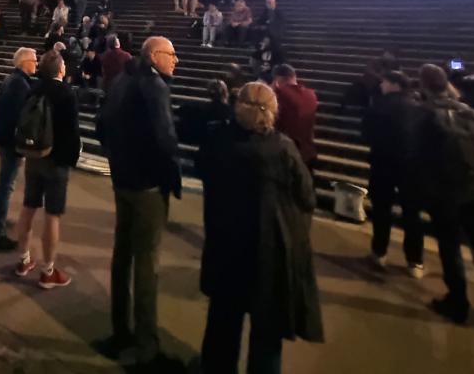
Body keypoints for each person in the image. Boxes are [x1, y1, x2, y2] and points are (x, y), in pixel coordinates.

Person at [197, 81, 324, 373]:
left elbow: (202, 168)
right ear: (272, 109)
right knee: (266, 333)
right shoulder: (282, 148)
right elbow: (307, 195)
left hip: (226, 244)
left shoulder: (219, 139)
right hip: (268, 250)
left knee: (222, 324)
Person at [95, 37, 182, 367]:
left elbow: (102, 124)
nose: (176, 60)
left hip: (123, 180)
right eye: (171, 55)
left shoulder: (121, 79)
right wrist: (171, 177)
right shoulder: (154, 86)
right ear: (155, 56)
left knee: (122, 255)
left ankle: (120, 332)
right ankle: (147, 347)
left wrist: (116, 158)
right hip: (147, 185)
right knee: (147, 265)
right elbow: (165, 138)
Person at [415, 64, 474, 326]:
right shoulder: (471, 112)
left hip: (446, 193)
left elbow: (421, 158)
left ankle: (457, 301)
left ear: (424, 85)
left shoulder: (427, 115)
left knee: (450, 247)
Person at [14, 49, 81, 289]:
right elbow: (72, 131)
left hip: (34, 157)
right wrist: (73, 159)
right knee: (52, 215)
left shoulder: (33, 88)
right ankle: (47, 270)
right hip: (57, 161)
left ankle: (23, 261)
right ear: (61, 69)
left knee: (28, 207)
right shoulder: (66, 92)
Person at [361, 70, 424, 276]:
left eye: (384, 82)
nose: (381, 86)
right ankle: (415, 260)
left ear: (394, 84)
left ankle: (380, 252)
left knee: (382, 211)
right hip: (412, 167)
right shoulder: (419, 108)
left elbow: (366, 134)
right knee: (412, 213)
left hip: (383, 165)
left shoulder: (379, 106)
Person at [0, 47, 37, 251]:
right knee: (6, 185)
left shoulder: (13, 80)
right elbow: (20, 118)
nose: (36, 62)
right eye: (34, 60)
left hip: (2, 137)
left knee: (4, 182)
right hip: (10, 140)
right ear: (23, 62)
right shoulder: (20, 84)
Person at [272, 64, 319, 175]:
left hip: (288, 154)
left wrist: (272, 91)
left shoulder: (280, 95)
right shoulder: (311, 94)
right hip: (308, 151)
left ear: (277, 79)